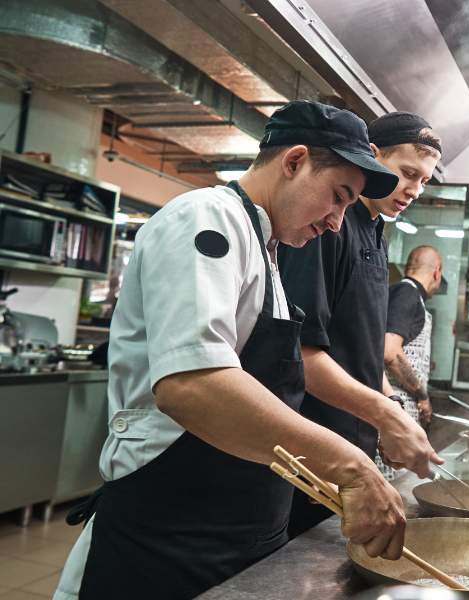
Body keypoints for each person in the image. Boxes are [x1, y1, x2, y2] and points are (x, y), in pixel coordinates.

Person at [55, 101, 409, 600]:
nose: (336, 222)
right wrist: (349, 464)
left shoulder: (268, 251)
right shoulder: (207, 218)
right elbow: (194, 385)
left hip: (233, 535)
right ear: (294, 161)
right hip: (165, 541)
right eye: (338, 196)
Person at [278, 112, 443, 537]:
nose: (414, 190)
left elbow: (359, 348)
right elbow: (302, 353)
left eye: (423, 180)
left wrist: (394, 410)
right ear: (373, 157)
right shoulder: (324, 227)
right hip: (312, 448)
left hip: (353, 446)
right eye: (408, 173)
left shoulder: (376, 233)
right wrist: (387, 415)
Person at [378, 246, 443, 480]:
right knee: (389, 484)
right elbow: (389, 352)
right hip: (394, 406)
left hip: (396, 410)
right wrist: (421, 394)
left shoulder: (402, 292)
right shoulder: (407, 294)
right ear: (436, 272)